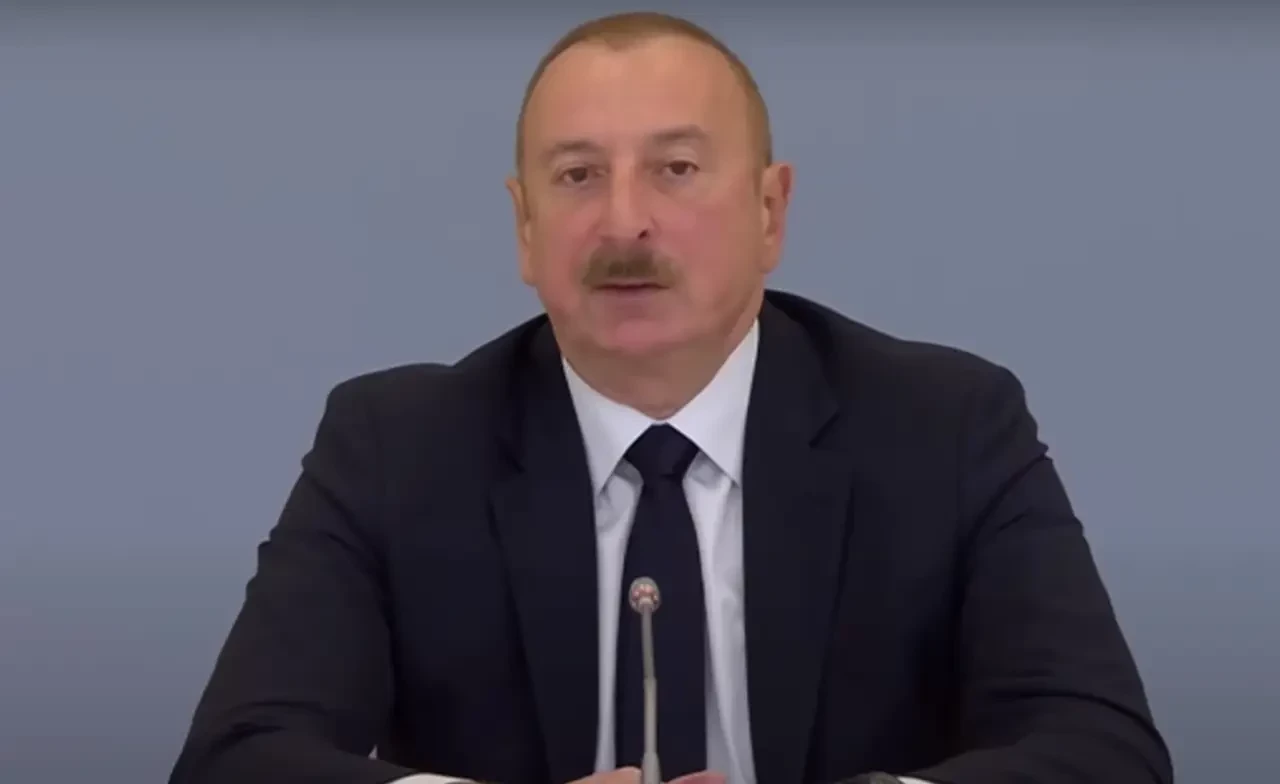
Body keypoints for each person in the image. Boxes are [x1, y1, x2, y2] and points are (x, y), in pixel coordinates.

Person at [168, 11, 1173, 784]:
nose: (624, 222)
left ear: (769, 210)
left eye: (675, 169)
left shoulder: (944, 426)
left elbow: (1103, 752)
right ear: (524, 227)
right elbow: (238, 757)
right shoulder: (396, 447)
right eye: (576, 176)